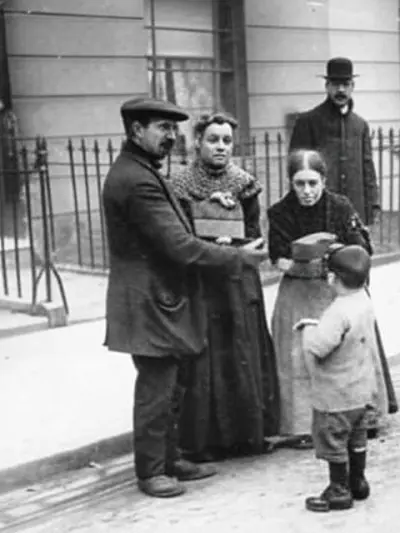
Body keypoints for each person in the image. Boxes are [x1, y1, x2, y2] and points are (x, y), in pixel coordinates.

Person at [102, 97, 271, 498]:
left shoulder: (142, 170)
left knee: (173, 383)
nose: (171, 136)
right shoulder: (137, 180)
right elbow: (179, 245)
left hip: (157, 297)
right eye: (162, 128)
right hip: (148, 300)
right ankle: (151, 470)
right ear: (135, 130)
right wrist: (238, 258)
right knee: (156, 387)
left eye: (174, 129)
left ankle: (169, 457)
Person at [168, 112, 281, 462]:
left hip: (238, 280)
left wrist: (238, 247)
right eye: (213, 139)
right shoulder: (180, 184)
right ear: (198, 142)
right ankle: (207, 441)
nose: (221, 147)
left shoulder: (244, 183)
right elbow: (181, 238)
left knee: (242, 351)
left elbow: (254, 234)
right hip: (203, 282)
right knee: (207, 356)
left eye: (227, 141)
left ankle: (247, 435)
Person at [267, 149, 390, 450]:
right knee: (303, 355)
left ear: (324, 180)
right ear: (290, 183)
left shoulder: (340, 207)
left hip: (339, 288)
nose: (307, 191)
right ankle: (302, 425)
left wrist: (336, 255)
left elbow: (361, 249)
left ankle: (362, 415)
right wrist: (299, 263)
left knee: (349, 353)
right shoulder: (280, 212)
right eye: (299, 184)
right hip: (299, 291)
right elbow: (276, 256)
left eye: (313, 183)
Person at [295, 244, 379, 512]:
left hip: (337, 395)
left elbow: (319, 348)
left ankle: (338, 490)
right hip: (360, 391)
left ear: (332, 278)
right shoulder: (364, 302)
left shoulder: (338, 310)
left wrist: (308, 330)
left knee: (334, 441)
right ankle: (358, 482)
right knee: (356, 438)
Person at [288, 57, 380, 226]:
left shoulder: (360, 125)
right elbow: (296, 168)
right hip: (319, 209)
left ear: (353, 86)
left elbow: (367, 168)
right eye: (335, 84)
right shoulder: (308, 122)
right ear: (327, 87)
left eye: (345, 84)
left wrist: (373, 204)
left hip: (354, 208)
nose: (340, 90)